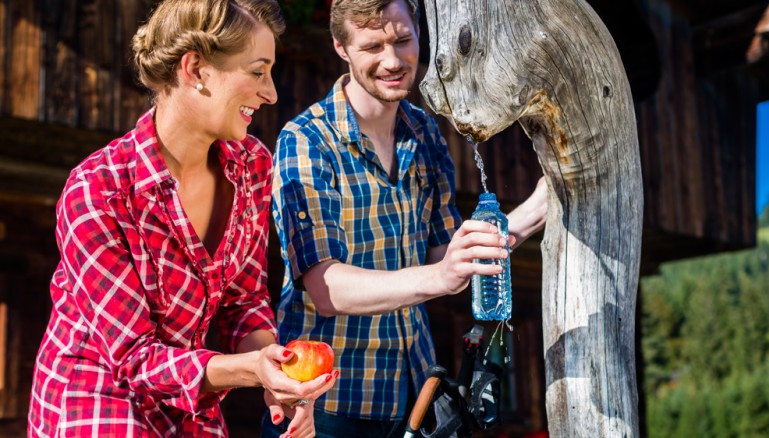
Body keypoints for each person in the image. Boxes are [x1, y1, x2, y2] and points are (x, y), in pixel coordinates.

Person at [27, 1, 336, 437]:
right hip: (97, 400)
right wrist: (252, 370)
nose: (272, 94)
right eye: (256, 71)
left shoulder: (252, 166)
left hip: (189, 403)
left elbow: (243, 303)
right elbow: (134, 359)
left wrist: (281, 380)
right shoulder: (98, 190)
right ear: (195, 69)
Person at [263, 0, 547, 436]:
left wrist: (531, 213)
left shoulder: (424, 131)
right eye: (372, 46)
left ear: (419, 31)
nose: (393, 61)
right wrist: (440, 276)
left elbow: (445, 253)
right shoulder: (306, 139)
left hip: (411, 395)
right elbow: (324, 286)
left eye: (402, 40)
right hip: (322, 402)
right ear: (341, 47)